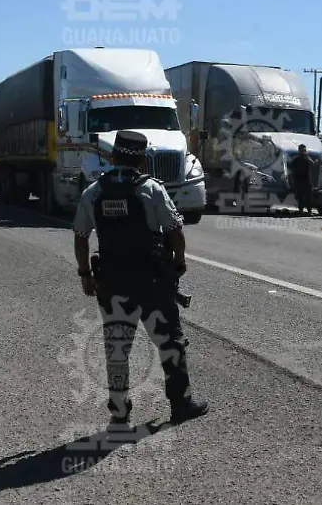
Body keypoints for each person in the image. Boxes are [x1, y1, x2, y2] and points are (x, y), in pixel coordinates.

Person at [72, 130, 209, 426]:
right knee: (170, 342)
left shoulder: (93, 192)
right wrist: (179, 261)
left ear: (112, 157)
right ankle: (180, 405)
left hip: (112, 282)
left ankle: (119, 412)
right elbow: (175, 231)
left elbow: (81, 236)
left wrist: (85, 275)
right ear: (143, 161)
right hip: (152, 282)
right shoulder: (152, 189)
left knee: (117, 347)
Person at [287, 144, 315, 215]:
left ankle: (309, 211)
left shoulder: (307, 158)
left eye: (304, 150)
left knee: (309, 196)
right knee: (300, 196)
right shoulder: (296, 159)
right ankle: (301, 211)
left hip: (307, 179)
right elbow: (290, 166)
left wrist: (307, 157)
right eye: (302, 150)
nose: (303, 151)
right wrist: (292, 179)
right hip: (298, 179)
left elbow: (312, 164)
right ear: (299, 150)